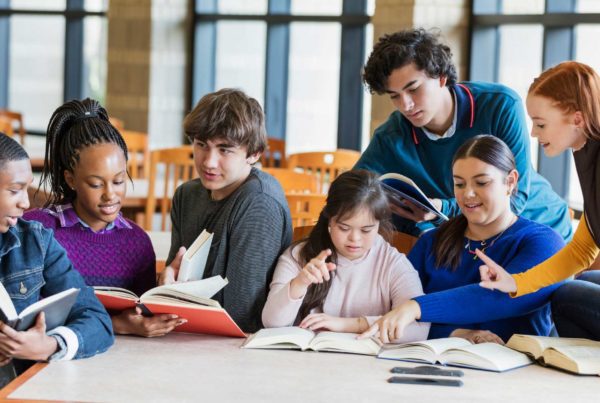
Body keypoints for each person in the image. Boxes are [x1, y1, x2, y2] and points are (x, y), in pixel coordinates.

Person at [355, 28, 572, 241]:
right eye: (395, 96)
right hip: (472, 240)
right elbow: (351, 191)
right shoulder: (392, 135)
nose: (406, 105)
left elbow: (513, 198)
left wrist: (442, 209)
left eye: (413, 89)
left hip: (540, 228)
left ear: (440, 77)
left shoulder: (500, 105)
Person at [359, 135, 565, 344]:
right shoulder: (431, 242)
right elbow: (394, 315)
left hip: (513, 370)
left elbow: (500, 297)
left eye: (481, 182)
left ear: (510, 182)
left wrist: (417, 307)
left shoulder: (545, 243)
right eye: (459, 184)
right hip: (426, 362)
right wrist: (456, 334)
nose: (468, 194)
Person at [24, 99, 183, 338]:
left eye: (119, 181)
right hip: (53, 358)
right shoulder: (39, 230)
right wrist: (116, 324)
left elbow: (142, 312)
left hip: (121, 361)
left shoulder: (137, 241)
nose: (110, 194)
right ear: (70, 179)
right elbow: (27, 316)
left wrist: (164, 293)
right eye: (96, 184)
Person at [478, 61, 600, 340]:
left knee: (569, 295)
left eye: (541, 123)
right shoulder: (586, 151)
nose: (533, 133)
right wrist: (515, 283)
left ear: (577, 119)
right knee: (584, 281)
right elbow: (582, 250)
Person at [160, 88, 292, 333]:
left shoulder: (259, 202)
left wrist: (174, 299)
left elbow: (241, 315)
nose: (209, 162)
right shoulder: (186, 195)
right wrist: (166, 286)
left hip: (241, 345)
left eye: (225, 149)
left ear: (254, 154)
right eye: (201, 145)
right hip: (194, 334)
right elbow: (173, 281)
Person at [262, 170, 429, 341]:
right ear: (330, 221)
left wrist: (348, 325)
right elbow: (271, 323)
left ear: (379, 225)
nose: (354, 239)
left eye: (366, 230)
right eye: (344, 228)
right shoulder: (299, 255)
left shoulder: (392, 262)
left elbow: (418, 329)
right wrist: (299, 283)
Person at [0, 132, 113, 374]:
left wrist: (49, 345)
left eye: (26, 189)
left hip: (19, 392)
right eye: (14, 190)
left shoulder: (36, 241)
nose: (25, 204)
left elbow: (97, 319)